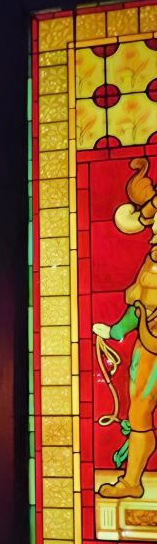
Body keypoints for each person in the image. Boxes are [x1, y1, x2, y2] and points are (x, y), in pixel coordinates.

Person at [94, 158, 157, 498]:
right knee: (139, 410)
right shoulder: (151, 262)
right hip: (149, 345)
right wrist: (116, 331)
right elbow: (140, 307)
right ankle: (132, 482)